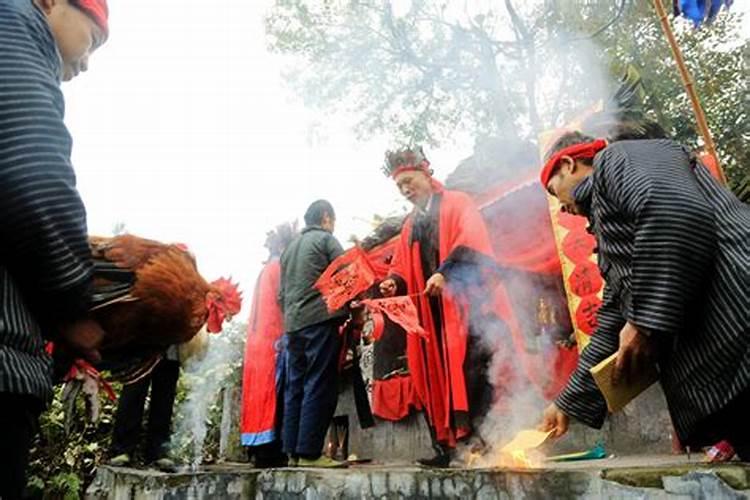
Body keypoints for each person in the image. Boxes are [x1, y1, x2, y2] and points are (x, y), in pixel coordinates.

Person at [538, 132, 750, 460]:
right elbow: (614, 318)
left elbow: (675, 211)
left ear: (568, 164)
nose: (562, 208)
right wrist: (567, 401)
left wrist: (644, 321)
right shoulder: (609, 228)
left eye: (555, 192)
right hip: (733, 366)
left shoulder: (616, 160)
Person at [0, 0, 108, 497]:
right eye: (95, 37)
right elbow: (31, 171)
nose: (87, 61)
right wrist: (72, 309)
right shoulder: (13, 20)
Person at [379, 147, 501, 467]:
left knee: (472, 370)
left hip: (464, 305)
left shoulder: (457, 202)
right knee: (431, 377)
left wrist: (444, 274)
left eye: (409, 181)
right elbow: (403, 265)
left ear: (426, 174)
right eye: (399, 186)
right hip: (431, 317)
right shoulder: (411, 223)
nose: (406, 189)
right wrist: (394, 281)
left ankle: (477, 443)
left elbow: (473, 241)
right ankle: (446, 449)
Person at [279, 200, 347, 468]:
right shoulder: (326, 240)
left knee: (295, 385)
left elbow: (281, 295)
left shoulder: (288, 250)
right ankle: (309, 453)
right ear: (327, 217)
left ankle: (292, 453)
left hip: (293, 326)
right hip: (319, 320)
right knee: (319, 382)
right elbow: (347, 276)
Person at [240, 223, 296, 468]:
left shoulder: (265, 270)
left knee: (256, 396)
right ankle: (271, 452)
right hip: (274, 340)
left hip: (256, 345)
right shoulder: (281, 268)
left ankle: (255, 448)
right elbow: (286, 303)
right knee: (273, 396)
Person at [109, 351, 180, 470]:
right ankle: (122, 449)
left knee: (165, 396)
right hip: (142, 346)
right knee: (133, 393)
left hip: (171, 346)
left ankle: (158, 451)